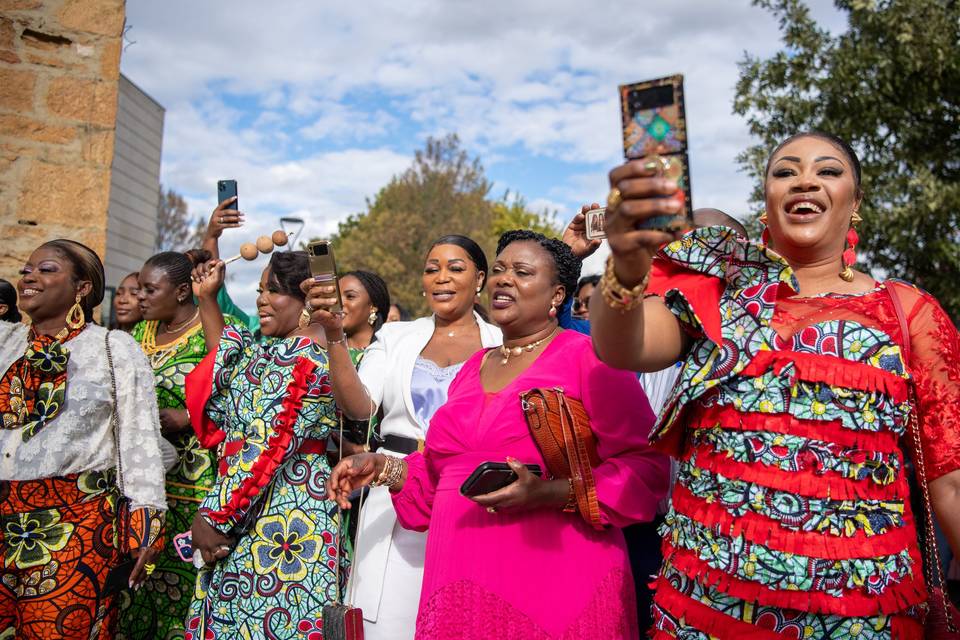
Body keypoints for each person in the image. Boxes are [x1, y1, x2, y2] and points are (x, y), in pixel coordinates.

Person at [591, 132, 960, 638]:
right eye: (785, 171)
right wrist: (625, 267)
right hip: (704, 614)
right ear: (766, 200)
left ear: (856, 201)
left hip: (863, 619)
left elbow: (951, 481)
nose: (804, 179)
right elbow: (621, 347)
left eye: (828, 171)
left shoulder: (909, 313)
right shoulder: (718, 290)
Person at [324, 230, 671, 639]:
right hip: (459, 583)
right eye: (501, 269)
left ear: (557, 295)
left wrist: (549, 492)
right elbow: (441, 476)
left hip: (553, 581)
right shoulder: (473, 368)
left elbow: (646, 469)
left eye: (522, 272)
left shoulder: (589, 358)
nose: (504, 279)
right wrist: (384, 467)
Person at [307, 235, 501, 639]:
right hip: (392, 496)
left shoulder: (501, 343)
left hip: (468, 502)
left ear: (479, 279)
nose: (441, 278)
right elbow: (359, 407)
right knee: (387, 622)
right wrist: (335, 336)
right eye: (432, 269)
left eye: (455, 268)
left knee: (460, 618)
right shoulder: (396, 338)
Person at [0, 240, 167, 639]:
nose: (29, 276)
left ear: (81, 288)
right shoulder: (5, 345)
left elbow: (139, 441)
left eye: (46, 269)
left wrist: (146, 519)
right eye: (26, 269)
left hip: (78, 529)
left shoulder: (113, 349)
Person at [181, 251, 342, 639]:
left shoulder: (306, 356)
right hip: (252, 503)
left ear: (305, 300)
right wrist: (207, 298)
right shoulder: (280, 349)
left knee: (269, 617)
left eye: (273, 291)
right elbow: (232, 366)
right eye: (259, 290)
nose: (261, 300)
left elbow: (266, 445)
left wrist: (214, 516)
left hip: (285, 513)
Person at [119, 250, 222, 639]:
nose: (139, 297)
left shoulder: (207, 330)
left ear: (181, 292)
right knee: (141, 576)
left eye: (149, 289)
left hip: (193, 483)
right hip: (144, 482)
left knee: (184, 580)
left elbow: (229, 391)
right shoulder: (136, 335)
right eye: (138, 289)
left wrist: (188, 419)